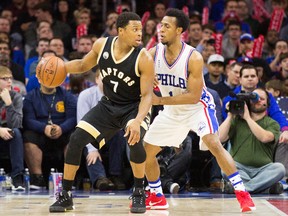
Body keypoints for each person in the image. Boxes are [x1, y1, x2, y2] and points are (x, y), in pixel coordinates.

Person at [142, 8, 255, 213]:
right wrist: (147, 77)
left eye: (167, 26)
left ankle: (242, 193)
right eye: (161, 25)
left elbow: (193, 96)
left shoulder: (192, 57)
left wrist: (158, 99)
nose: (161, 29)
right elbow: (139, 70)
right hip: (172, 110)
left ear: (179, 31)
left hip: (197, 107)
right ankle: (157, 195)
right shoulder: (153, 53)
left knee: (213, 142)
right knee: (146, 152)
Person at [49, 12, 154, 214]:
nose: (140, 34)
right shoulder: (101, 45)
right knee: (76, 139)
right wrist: (58, 68)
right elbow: (81, 65)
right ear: (121, 31)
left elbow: (148, 96)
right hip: (108, 105)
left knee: (135, 140)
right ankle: (66, 196)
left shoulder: (144, 58)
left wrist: (138, 120)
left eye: (140, 29)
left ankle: (139, 191)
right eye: (135, 29)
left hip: (133, 107)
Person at [219, 88, 285, 194]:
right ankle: (264, 188)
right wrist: (230, 115)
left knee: (279, 169)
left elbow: (264, 137)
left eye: (262, 99)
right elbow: (220, 138)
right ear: (249, 102)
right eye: (254, 98)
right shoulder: (237, 120)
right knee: (225, 167)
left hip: (263, 170)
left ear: (267, 104)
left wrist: (248, 118)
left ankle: (242, 188)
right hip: (240, 168)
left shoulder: (272, 123)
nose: (258, 101)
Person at [77, 70, 126, 190]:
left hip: (111, 133)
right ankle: (100, 178)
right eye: (104, 78)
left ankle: (116, 176)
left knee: (119, 134)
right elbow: (82, 125)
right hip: (90, 133)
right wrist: (92, 149)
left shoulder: (120, 97)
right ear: (97, 79)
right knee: (85, 144)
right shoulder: (85, 96)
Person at [23, 83, 77, 189]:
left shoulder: (67, 96)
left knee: (75, 137)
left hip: (62, 131)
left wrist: (62, 128)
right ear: (38, 78)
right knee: (28, 136)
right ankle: (37, 178)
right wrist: (44, 128)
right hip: (40, 132)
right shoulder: (30, 96)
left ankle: (69, 178)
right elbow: (28, 120)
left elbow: (73, 118)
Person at [0, 65, 25, 191]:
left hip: (8, 132)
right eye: (4, 78)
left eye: (10, 78)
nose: (9, 81)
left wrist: (9, 103)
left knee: (16, 133)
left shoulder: (16, 96)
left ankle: (17, 177)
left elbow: (16, 124)